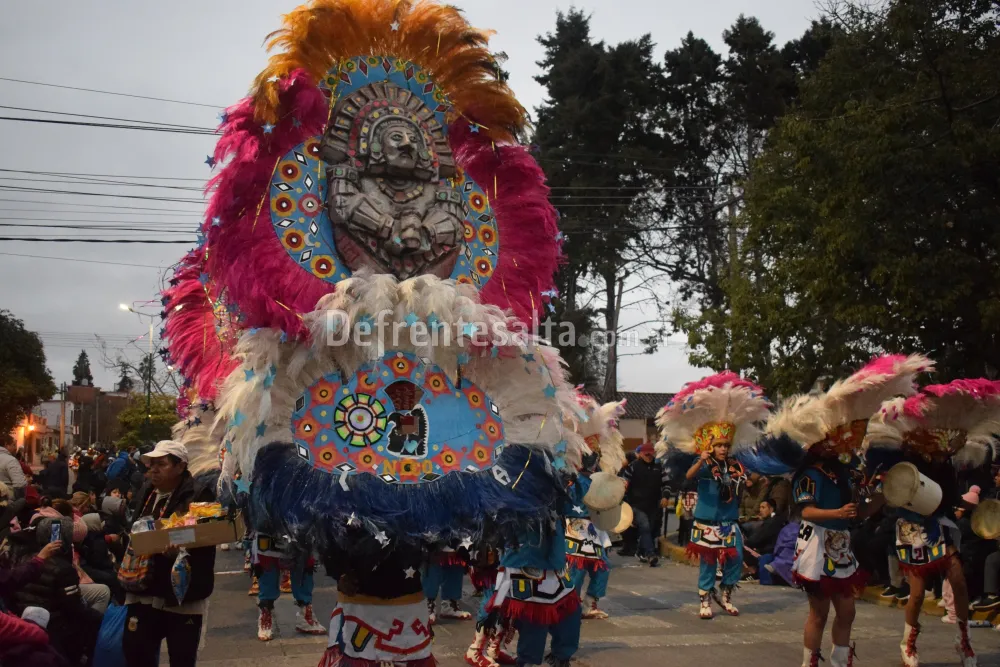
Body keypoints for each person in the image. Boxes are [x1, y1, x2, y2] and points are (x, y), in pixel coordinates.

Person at [770, 354, 929, 667]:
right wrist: (837, 515)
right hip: (816, 544)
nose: (851, 447)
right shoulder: (810, 474)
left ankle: (840, 661)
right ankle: (809, 663)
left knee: (847, 611)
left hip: (840, 546)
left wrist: (885, 497)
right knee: (819, 613)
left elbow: (859, 512)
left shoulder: (846, 473)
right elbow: (807, 513)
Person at [867, 379, 997, 667]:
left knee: (958, 578)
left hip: (940, 524)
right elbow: (894, 493)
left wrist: (970, 505)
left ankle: (964, 639)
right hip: (912, 527)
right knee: (916, 593)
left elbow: (949, 498)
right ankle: (908, 642)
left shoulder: (946, 463)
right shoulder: (907, 458)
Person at [659, 372, 773, 620]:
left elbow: (748, 479)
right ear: (710, 446)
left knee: (737, 558)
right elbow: (688, 477)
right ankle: (705, 599)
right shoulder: (704, 465)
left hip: (728, 521)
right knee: (708, 562)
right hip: (707, 521)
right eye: (719, 445)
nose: (723, 449)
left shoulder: (734, 465)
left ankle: (726, 594)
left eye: (726, 445)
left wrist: (757, 477)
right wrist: (700, 460)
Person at [121, 440, 216, 667]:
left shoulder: (200, 495)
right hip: (144, 588)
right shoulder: (147, 490)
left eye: (161, 464)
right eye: (151, 464)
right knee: (136, 654)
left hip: (181, 596)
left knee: (182, 658)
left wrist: (180, 553)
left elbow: (208, 537)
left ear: (180, 466)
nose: (153, 470)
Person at [620, 443, 668, 566]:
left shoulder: (659, 467)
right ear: (640, 454)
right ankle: (651, 554)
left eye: (650, 453)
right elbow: (624, 483)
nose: (648, 455)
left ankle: (640, 551)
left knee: (649, 529)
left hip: (653, 505)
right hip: (636, 505)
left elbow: (666, 483)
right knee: (645, 526)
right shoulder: (633, 466)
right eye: (645, 453)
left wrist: (665, 496)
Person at [742, 499, 787, 578]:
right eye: (760, 507)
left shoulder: (771, 522)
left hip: (768, 553)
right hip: (772, 552)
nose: (760, 510)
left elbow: (755, 540)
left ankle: (753, 572)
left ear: (771, 509)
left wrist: (745, 542)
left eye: (763, 507)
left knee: (741, 546)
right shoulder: (777, 520)